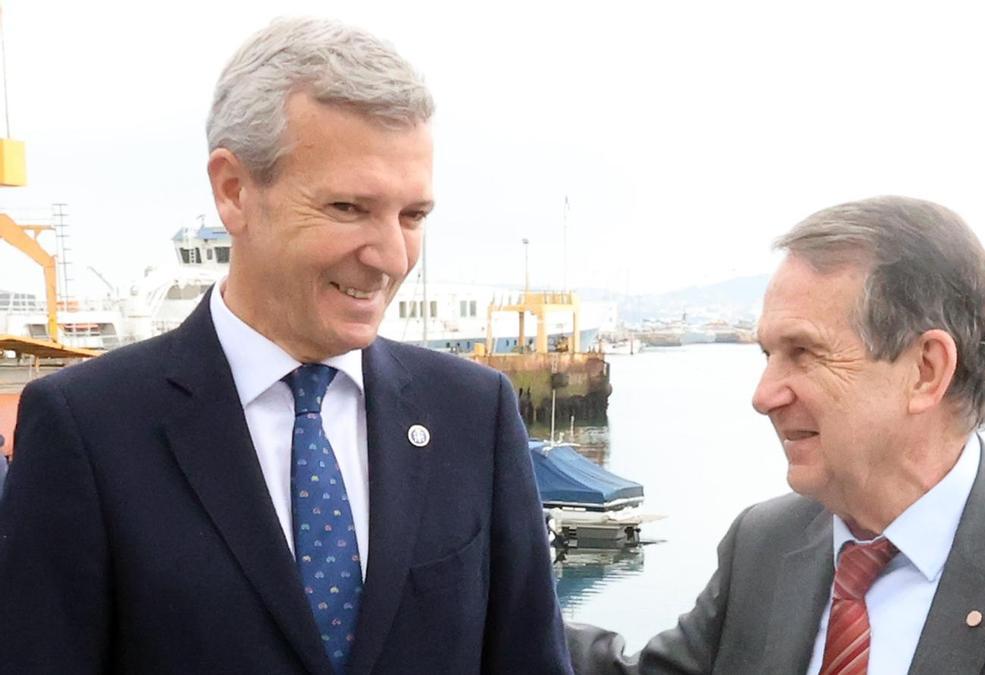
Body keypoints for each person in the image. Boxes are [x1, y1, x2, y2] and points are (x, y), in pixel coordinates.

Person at [0, 17, 570, 674]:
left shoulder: (474, 413)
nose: (390, 255)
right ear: (234, 191)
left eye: (413, 216)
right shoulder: (86, 430)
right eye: (349, 208)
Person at [569, 196, 985, 673]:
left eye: (804, 354)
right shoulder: (765, 545)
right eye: (767, 355)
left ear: (926, 371)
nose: (765, 396)